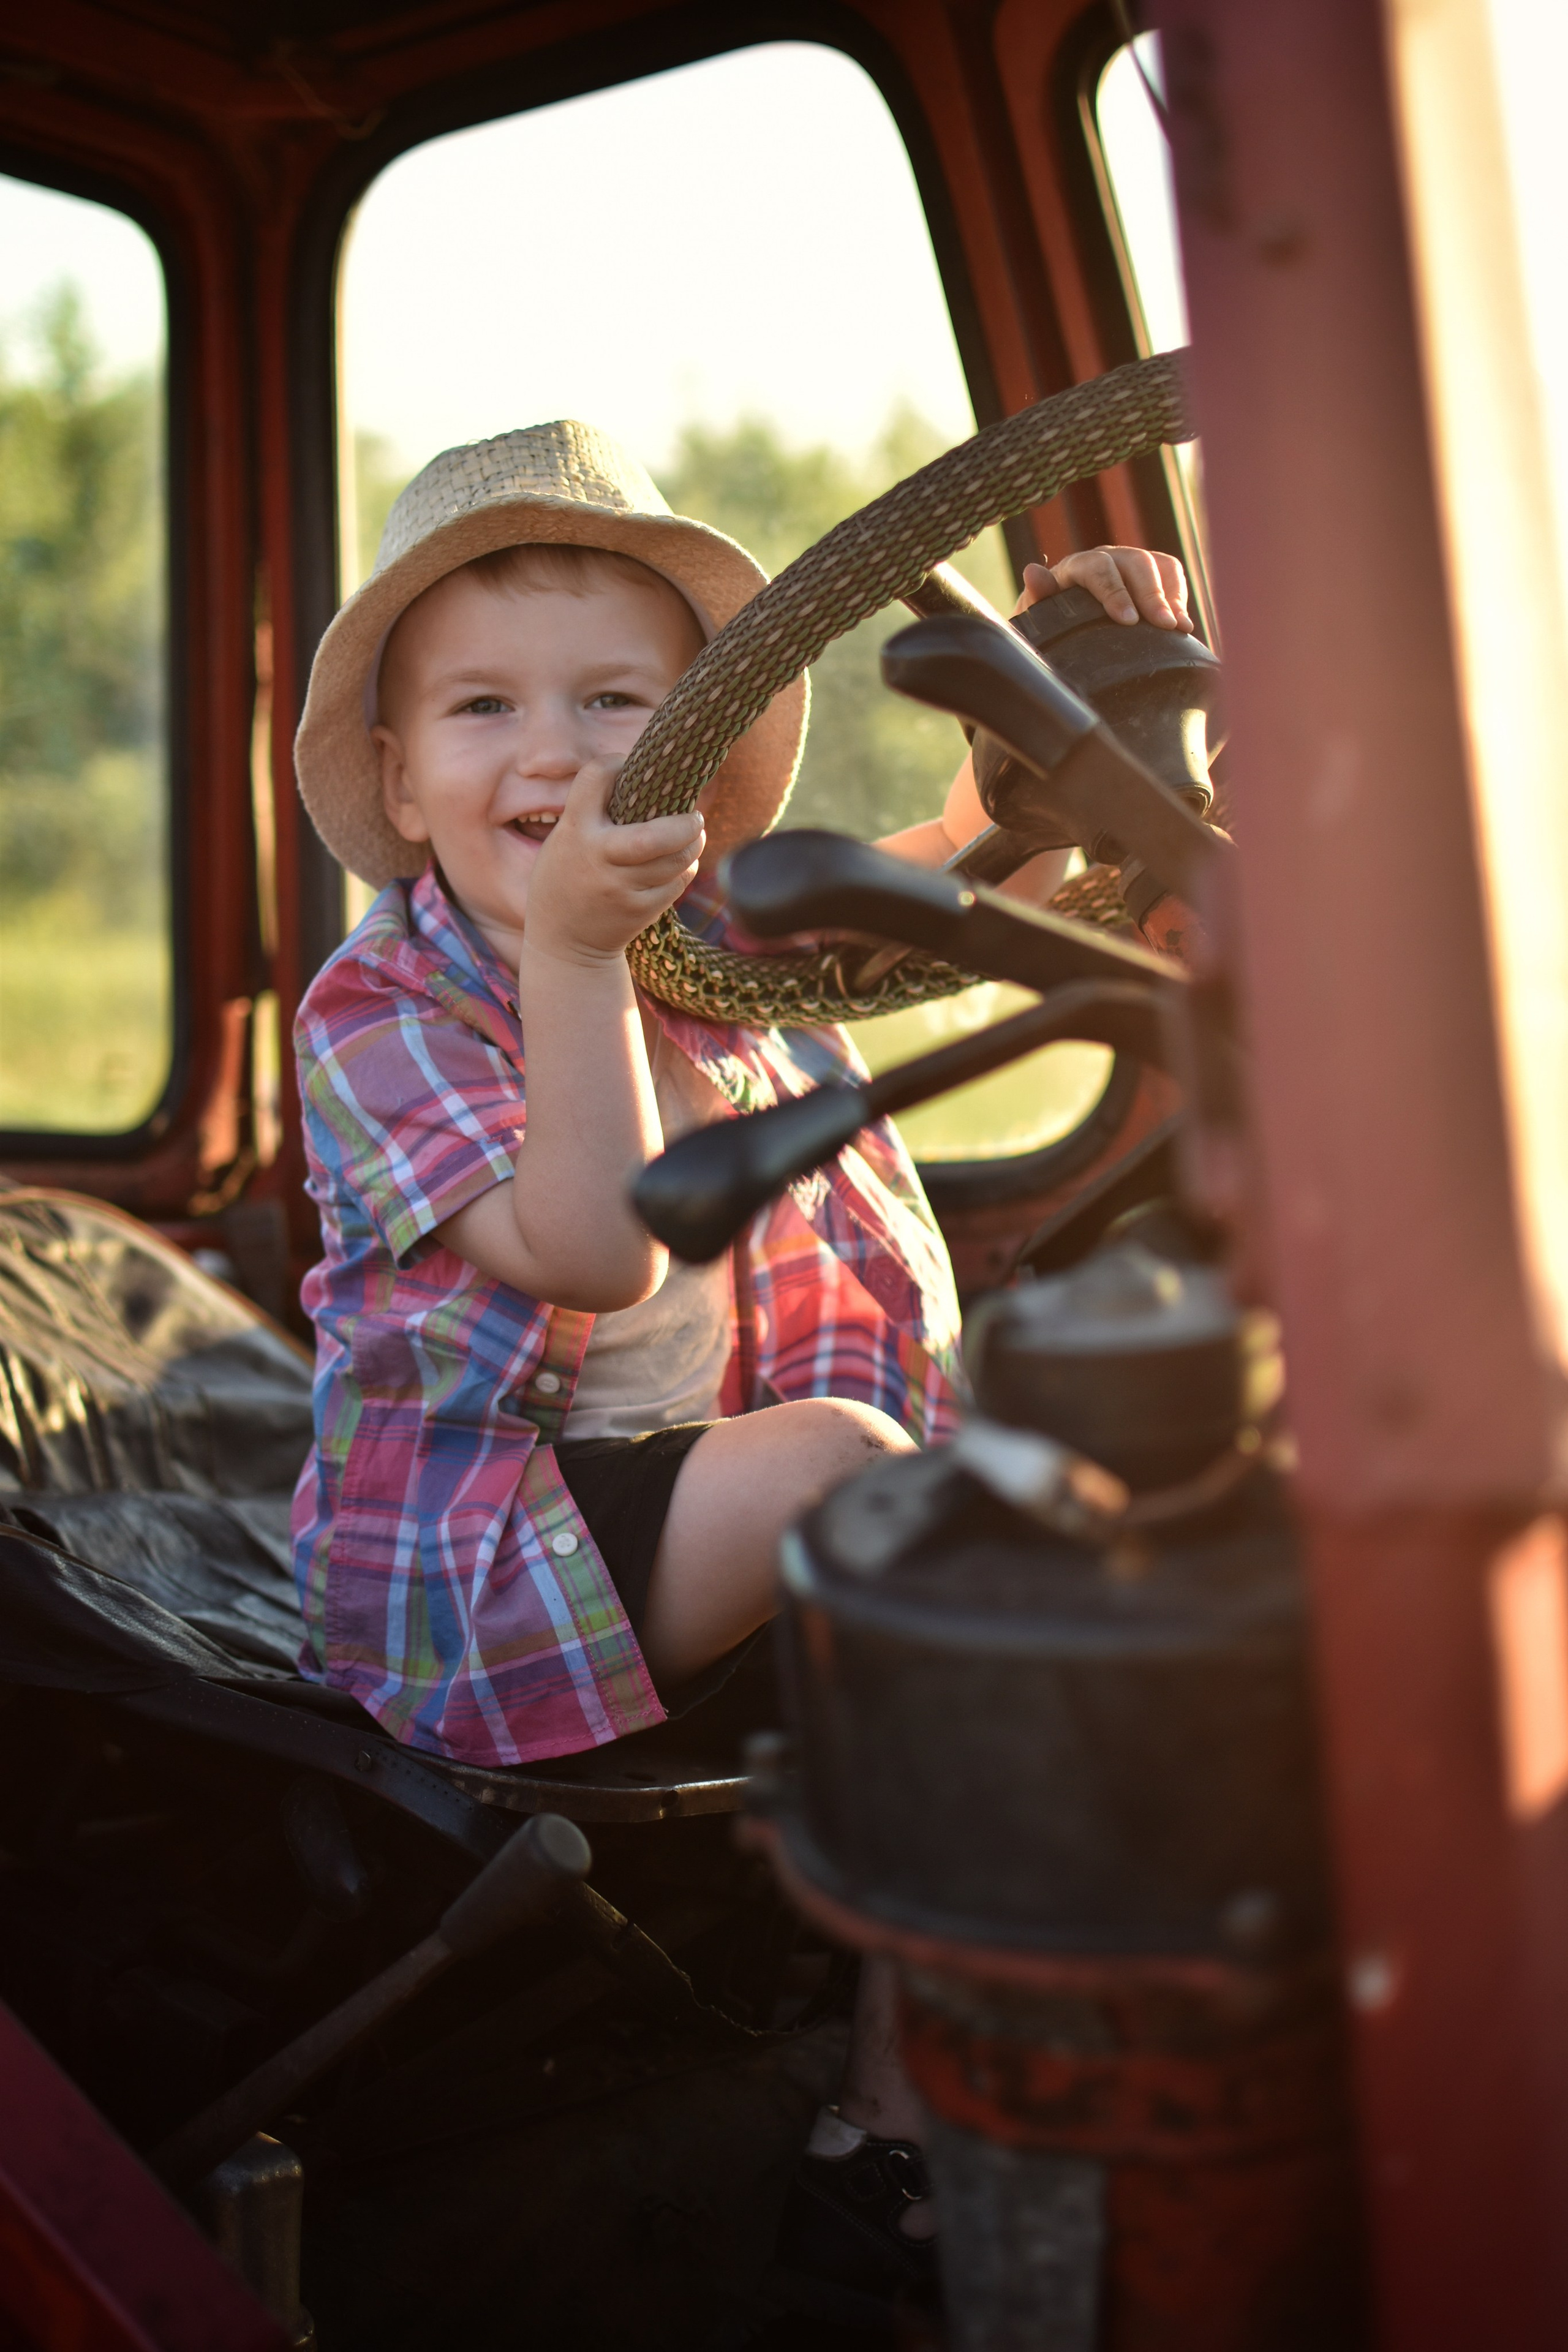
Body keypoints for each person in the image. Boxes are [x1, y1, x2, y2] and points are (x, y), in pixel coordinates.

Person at [290, 418, 1191, 2324]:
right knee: (856, 1472)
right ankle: (890, 2131)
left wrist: (1029, 762)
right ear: (394, 769)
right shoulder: (377, 1013)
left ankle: (1087, 1983)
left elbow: (917, 903)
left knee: (1106, 1489)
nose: (553, 750)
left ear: (692, 745)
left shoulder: (702, 931)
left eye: (622, 700)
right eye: (482, 709)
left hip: (687, 1494)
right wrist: (573, 964)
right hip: (489, 1557)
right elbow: (599, 1243)